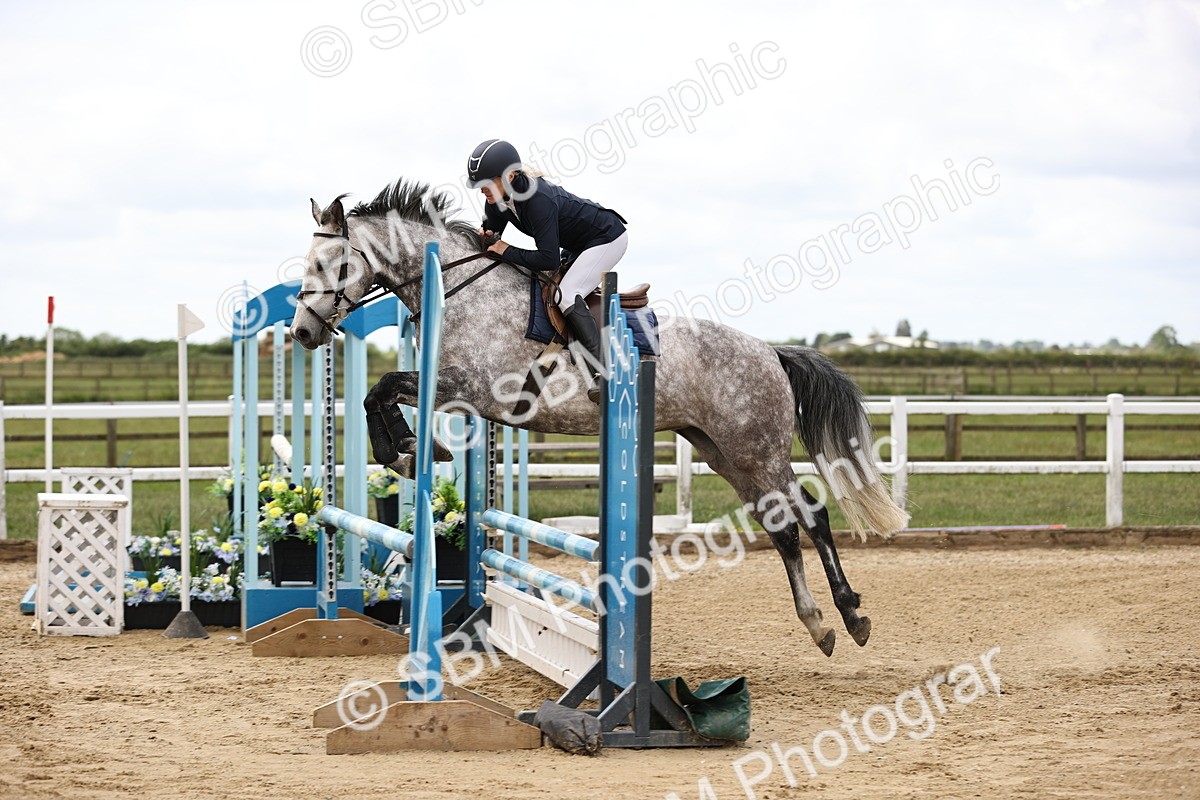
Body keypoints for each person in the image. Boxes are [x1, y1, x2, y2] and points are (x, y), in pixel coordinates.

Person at [467, 138, 628, 403]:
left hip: (607, 238)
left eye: (487, 182)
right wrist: (486, 238)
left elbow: (548, 258)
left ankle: (604, 372)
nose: (481, 189)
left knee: (566, 294)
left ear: (509, 176)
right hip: (576, 245)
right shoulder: (494, 201)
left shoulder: (537, 199)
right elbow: (491, 238)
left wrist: (507, 250)